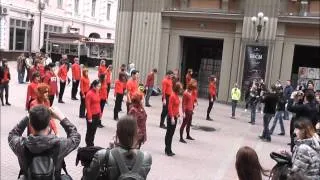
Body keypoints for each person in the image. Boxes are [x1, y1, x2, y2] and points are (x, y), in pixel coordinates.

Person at [8, 105, 81, 180]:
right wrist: (61, 117)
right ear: (49, 124)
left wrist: (28, 117)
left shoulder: (22, 145)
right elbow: (76, 137)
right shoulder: (59, 144)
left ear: (30, 124)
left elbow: (12, 135)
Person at [82, 116, 152, 180]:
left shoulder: (103, 155)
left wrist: (109, 150)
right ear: (136, 134)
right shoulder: (146, 157)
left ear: (117, 133)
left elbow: (88, 177)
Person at [165, 82, 183, 156]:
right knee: (169, 133)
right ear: (177, 89)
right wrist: (172, 117)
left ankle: (168, 149)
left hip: (175, 116)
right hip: (171, 117)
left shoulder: (177, 96)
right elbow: (170, 107)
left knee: (171, 134)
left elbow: (176, 107)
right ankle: (167, 149)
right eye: (180, 89)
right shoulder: (172, 96)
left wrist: (178, 116)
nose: (181, 90)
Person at [85, 80, 101, 147]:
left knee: (94, 131)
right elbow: (87, 106)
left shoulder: (97, 92)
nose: (99, 87)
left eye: (100, 86)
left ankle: (91, 143)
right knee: (90, 131)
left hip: (97, 114)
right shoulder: (89, 94)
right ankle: (89, 144)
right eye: (98, 86)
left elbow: (98, 103)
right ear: (94, 86)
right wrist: (89, 117)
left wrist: (100, 113)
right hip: (91, 115)